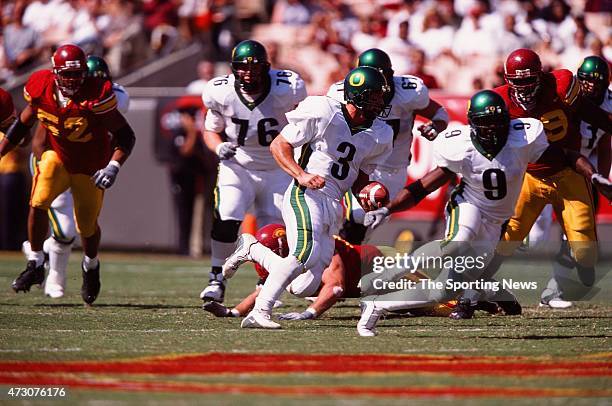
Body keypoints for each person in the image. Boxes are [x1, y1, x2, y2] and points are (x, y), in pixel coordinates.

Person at [357, 90, 550, 336]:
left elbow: (558, 161)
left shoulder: (524, 137)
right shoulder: (462, 145)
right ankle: (392, 271)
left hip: (497, 220)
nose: (491, 130)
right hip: (469, 204)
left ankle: (377, 305)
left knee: (444, 292)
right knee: (457, 243)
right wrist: (388, 208)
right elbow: (425, 186)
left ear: (507, 122)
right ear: (472, 124)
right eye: (484, 124)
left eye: (496, 123)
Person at [222, 66, 394, 329]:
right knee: (304, 252)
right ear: (358, 97)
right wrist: (301, 174)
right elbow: (279, 145)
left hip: (334, 202)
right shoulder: (324, 111)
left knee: (306, 285)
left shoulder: (380, 133)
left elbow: (359, 175)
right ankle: (260, 311)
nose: (381, 102)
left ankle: (252, 249)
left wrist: (368, 193)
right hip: (307, 194)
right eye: (374, 97)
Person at [476, 49, 612, 314]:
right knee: (507, 236)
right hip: (529, 175)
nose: (525, 90)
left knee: (584, 248)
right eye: (518, 83)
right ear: (507, 80)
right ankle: (475, 283)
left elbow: (590, 113)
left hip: (569, 171)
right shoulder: (500, 99)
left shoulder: (560, 85)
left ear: (540, 76)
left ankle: (582, 270)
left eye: (530, 82)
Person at [0, 44, 136, 305]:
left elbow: (126, 136)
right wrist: (2, 150)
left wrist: (113, 166)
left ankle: (91, 266)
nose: (73, 81)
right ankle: (36, 263)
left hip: (91, 165)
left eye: (77, 75)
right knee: (38, 200)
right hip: (58, 157)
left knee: (86, 226)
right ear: (55, 72)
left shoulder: (98, 94)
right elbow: (24, 122)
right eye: (67, 75)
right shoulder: (41, 86)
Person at [199, 40, 307, 303]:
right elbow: (210, 130)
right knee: (227, 218)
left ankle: (266, 284)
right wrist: (219, 147)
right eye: (243, 68)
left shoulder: (288, 88)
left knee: (276, 229)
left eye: (255, 68)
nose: (248, 73)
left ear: (266, 68)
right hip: (238, 164)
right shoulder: (220, 91)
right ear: (234, 69)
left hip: (278, 166)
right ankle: (217, 278)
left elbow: (304, 122)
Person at [327, 48, 449, 245]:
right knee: (354, 218)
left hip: (392, 169)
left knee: (369, 223)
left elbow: (440, 113)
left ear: (389, 76)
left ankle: (349, 262)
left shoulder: (408, 93)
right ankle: (336, 262)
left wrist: (436, 126)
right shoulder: (342, 93)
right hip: (358, 165)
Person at [536, 55, 611, 308]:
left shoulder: (608, 105)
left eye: (596, 84)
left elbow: (605, 142)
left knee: (577, 235)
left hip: (579, 169)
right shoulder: (564, 93)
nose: (589, 88)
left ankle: (554, 289)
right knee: (534, 236)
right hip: (545, 165)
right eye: (586, 82)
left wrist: (601, 177)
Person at [0, 89, 24, 250]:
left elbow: (21, 142)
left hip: (11, 172)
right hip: (4, 172)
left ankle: (10, 244)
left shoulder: (11, 121)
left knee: (11, 212)